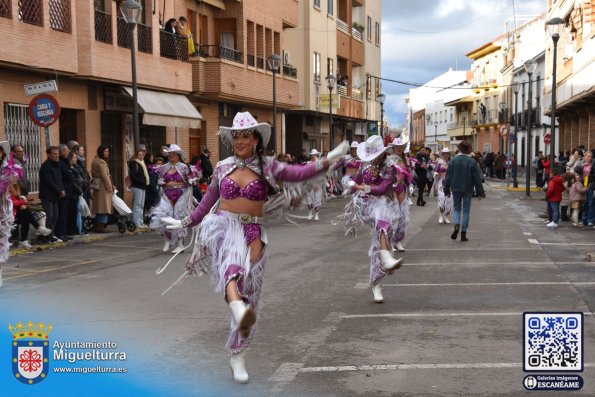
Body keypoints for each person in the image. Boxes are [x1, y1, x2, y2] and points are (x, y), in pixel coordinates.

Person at [161, 112, 349, 384]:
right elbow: (206, 203)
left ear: (256, 139)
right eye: (235, 136)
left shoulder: (269, 167)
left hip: (253, 231)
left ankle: (238, 355)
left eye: (245, 135)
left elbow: (300, 173)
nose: (239, 141)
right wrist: (184, 222)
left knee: (251, 293)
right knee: (231, 271)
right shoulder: (222, 167)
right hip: (224, 226)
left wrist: (329, 159)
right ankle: (237, 308)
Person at [346, 135, 404, 304]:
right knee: (381, 223)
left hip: (387, 206)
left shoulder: (390, 168)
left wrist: (361, 187)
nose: (373, 159)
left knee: (380, 240)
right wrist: (350, 187)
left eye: (376, 156)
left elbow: (383, 188)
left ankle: (377, 282)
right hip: (369, 207)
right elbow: (354, 182)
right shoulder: (364, 166)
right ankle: (387, 259)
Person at [150, 144, 199, 254]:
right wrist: (160, 182)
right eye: (169, 154)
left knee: (178, 217)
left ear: (178, 155)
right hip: (167, 194)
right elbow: (160, 178)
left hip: (181, 194)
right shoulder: (165, 167)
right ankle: (168, 239)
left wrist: (192, 181)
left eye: (172, 154)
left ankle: (180, 244)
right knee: (164, 215)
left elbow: (191, 179)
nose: (170, 156)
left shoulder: (184, 167)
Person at [444, 140, 485, 242]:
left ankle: (457, 224)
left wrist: (446, 190)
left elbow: (448, 177)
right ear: (468, 150)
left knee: (457, 209)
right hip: (468, 188)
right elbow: (477, 178)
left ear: (459, 149)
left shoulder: (452, 161)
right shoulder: (472, 162)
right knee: (466, 211)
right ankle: (463, 233)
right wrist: (480, 192)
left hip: (455, 188)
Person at [0, 141, 23, 287]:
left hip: (3, 212)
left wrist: (10, 180)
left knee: (2, 244)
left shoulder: (6, 169)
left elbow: (12, 189)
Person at [38, 146, 64, 243]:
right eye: (55, 153)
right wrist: (59, 191)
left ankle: (51, 235)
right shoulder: (45, 166)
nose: (57, 155)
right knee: (48, 216)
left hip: (55, 195)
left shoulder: (56, 164)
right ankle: (44, 237)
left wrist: (62, 189)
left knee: (55, 216)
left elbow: (59, 179)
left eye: (58, 153)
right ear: (49, 154)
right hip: (47, 195)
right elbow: (49, 182)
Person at [91, 145, 114, 233]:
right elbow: (105, 176)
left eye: (108, 151)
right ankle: (101, 226)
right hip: (103, 187)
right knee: (103, 207)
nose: (107, 153)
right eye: (106, 151)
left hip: (97, 185)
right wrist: (110, 187)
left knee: (99, 206)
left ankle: (98, 225)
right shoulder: (101, 162)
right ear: (101, 152)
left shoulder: (94, 160)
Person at [128, 145, 150, 228]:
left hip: (143, 186)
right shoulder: (134, 163)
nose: (142, 156)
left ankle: (141, 221)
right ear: (136, 155)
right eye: (140, 154)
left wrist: (145, 182)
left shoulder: (142, 163)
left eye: (142, 154)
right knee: (137, 204)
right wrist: (142, 181)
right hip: (137, 186)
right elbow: (133, 176)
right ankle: (136, 222)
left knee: (141, 205)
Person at [435, 148, 453, 224]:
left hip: (450, 184)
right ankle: (440, 216)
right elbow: (436, 174)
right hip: (441, 183)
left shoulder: (452, 162)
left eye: (447, 153)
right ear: (442, 155)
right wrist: (436, 185)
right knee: (442, 200)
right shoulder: (439, 163)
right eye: (444, 154)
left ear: (449, 154)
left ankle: (445, 216)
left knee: (449, 201)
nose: (446, 155)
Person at [306, 149, 323, 220]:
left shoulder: (319, 163)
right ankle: (310, 213)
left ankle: (316, 214)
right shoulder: (308, 163)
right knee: (309, 199)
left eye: (315, 155)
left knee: (317, 199)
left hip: (317, 182)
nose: (313, 156)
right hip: (310, 182)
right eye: (312, 155)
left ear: (316, 155)